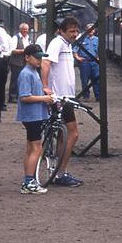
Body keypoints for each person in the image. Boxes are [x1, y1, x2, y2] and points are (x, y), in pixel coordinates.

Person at [40, 17, 84, 187]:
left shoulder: (67, 45)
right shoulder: (57, 43)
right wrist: (45, 86)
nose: (75, 34)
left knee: (62, 134)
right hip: (60, 97)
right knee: (73, 134)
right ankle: (61, 173)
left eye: (76, 30)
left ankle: (58, 172)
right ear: (61, 31)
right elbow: (45, 63)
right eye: (71, 31)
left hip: (66, 96)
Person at [17, 44, 56, 194]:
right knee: (36, 148)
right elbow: (25, 97)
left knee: (30, 148)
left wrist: (44, 94)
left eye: (41, 57)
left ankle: (28, 180)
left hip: (34, 115)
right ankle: (29, 182)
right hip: (32, 116)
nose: (40, 60)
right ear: (27, 57)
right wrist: (44, 98)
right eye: (37, 57)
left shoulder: (33, 72)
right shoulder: (26, 74)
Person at [7, 22, 33, 103]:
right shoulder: (15, 38)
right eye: (24, 29)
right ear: (20, 29)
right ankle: (12, 97)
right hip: (16, 62)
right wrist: (24, 51)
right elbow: (12, 50)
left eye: (26, 29)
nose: (25, 31)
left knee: (22, 79)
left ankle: (19, 95)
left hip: (25, 62)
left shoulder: (28, 38)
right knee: (15, 79)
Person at [75, 23, 101, 100]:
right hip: (85, 62)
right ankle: (86, 96)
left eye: (92, 29)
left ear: (94, 30)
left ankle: (98, 96)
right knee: (84, 80)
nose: (91, 31)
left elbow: (100, 50)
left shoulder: (97, 40)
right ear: (86, 30)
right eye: (89, 29)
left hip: (95, 62)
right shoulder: (81, 39)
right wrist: (77, 57)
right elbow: (75, 49)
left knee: (96, 79)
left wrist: (99, 58)